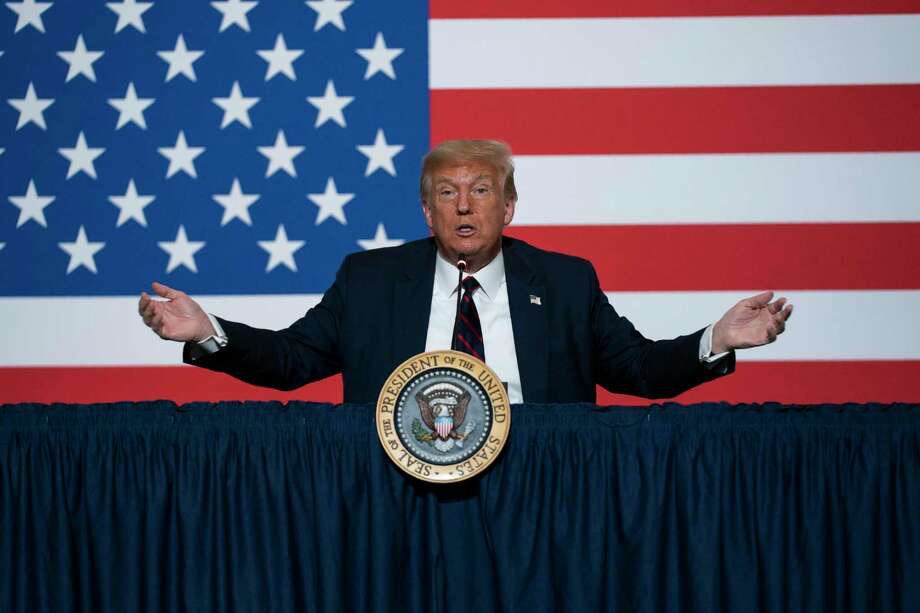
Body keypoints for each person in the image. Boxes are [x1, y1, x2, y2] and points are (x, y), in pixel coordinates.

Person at [138, 140, 792, 404]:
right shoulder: (369, 280)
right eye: (446, 193)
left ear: (508, 206)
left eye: (481, 190)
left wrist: (718, 338)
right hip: (399, 492)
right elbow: (289, 359)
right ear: (426, 210)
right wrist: (211, 329)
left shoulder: (565, 281)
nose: (464, 205)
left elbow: (638, 369)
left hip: (540, 489)